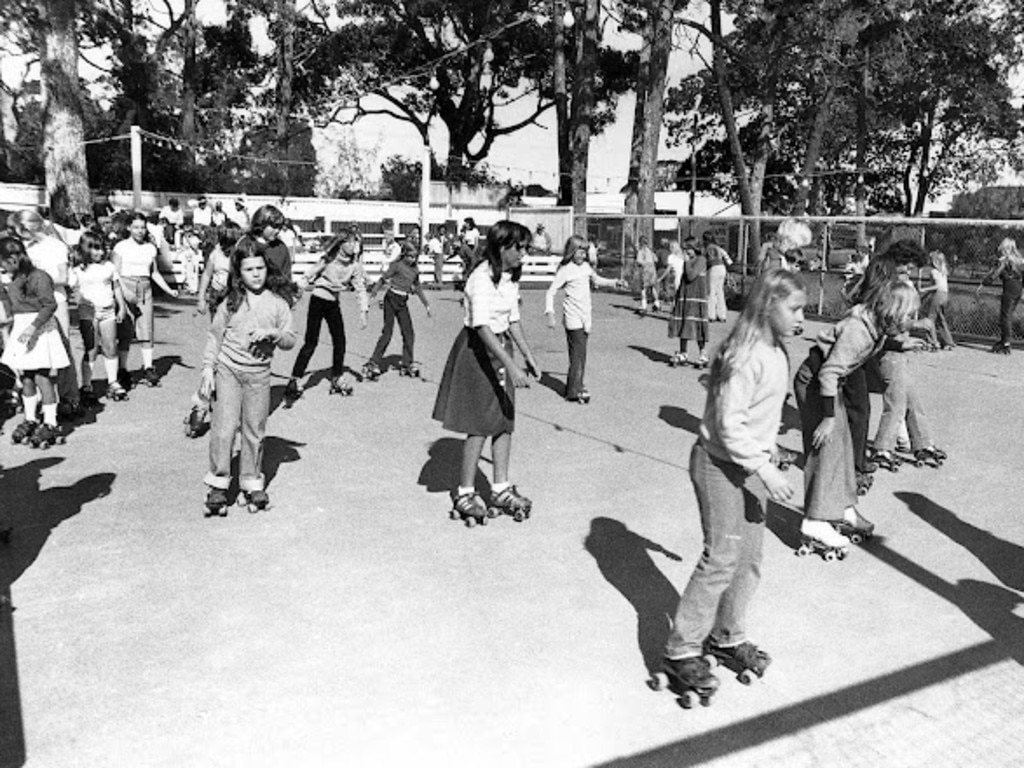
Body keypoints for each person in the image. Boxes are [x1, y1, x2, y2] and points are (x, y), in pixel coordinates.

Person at [658, 269, 806, 701]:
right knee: (722, 554)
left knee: (749, 559)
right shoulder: (743, 355)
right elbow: (727, 425)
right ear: (767, 306)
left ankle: (725, 635)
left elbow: (760, 415)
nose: (802, 317)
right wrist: (766, 468)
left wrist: (772, 451)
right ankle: (682, 648)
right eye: (794, 308)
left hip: (752, 464)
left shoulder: (778, 352)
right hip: (718, 463)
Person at [794, 279, 919, 553]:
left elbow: (874, 345)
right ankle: (814, 520)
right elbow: (829, 372)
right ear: (893, 312)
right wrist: (827, 418)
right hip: (816, 382)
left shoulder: (876, 324)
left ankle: (844, 508)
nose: (913, 321)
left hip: (827, 384)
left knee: (844, 448)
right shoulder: (858, 331)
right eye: (910, 315)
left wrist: (901, 346)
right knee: (824, 451)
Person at [432, 221, 540, 525]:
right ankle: (465, 491)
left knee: (504, 420)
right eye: (520, 248)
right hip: (478, 351)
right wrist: (510, 364)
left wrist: (528, 356)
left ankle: (500, 487)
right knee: (480, 423)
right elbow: (481, 327)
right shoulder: (481, 278)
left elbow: (512, 320)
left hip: (502, 348)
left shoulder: (508, 277)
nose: (524, 254)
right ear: (502, 247)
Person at [199, 238, 297, 516]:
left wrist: (274, 334)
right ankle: (218, 483)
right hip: (228, 370)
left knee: (254, 429)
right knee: (224, 427)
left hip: (259, 375)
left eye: (260, 268)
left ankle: (252, 482)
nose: (255, 274)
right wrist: (208, 368)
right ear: (238, 274)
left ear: (268, 269)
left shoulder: (278, 304)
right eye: (248, 269)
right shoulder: (231, 301)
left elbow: (290, 339)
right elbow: (215, 336)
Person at [0, 233, 71, 448]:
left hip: (39, 328)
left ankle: (50, 422)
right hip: (22, 327)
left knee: (42, 376)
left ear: (12, 259)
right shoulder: (11, 280)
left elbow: (50, 305)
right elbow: (11, 307)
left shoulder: (39, 277)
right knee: (26, 376)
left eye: (2, 262)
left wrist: (33, 327)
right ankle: (31, 418)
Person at [284, 228, 368, 400]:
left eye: (356, 242)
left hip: (333, 304)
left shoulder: (354, 265)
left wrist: (364, 310)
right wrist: (298, 289)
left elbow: (360, 287)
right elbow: (310, 274)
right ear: (342, 243)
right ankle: (295, 379)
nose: (354, 246)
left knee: (340, 341)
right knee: (311, 342)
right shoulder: (329, 259)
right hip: (318, 300)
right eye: (350, 242)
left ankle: (337, 377)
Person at [12, 209, 81, 416]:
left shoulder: (56, 246)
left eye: (19, 230)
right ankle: (40, 397)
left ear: (27, 228)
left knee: (63, 349)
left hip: (55, 301)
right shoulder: (26, 248)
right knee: (34, 352)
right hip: (31, 306)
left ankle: (69, 397)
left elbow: (63, 277)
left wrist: (39, 278)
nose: (17, 234)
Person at [543, 234, 624, 404]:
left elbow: (596, 280)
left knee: (580, 354)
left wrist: (614, 282)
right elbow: (550, 292)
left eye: (585, 252)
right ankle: (574, 390)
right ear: (572, 252)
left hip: (585, 316)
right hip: (572, 317)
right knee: (578, 354)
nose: (584, 255)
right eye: (580, 252)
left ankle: (574, 385)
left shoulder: (586, 267)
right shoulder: (566, 270)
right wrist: (550, 313)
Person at [112, 210, 180, 388]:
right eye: (136, 227)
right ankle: (123, 370)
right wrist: (124, 293)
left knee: (146, 329)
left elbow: (154, 273)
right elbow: (114, 273)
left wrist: (169, 290)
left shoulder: (150, 248)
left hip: (144, 288)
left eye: (142, 228)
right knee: (126, 330)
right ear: (129, 228)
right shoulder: (121, 247)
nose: (140, 231)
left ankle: (149, 367)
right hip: (125, 286)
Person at [68, 230, 129, 403]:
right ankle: (86, 384)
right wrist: (78, 299)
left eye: (102, 248)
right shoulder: (78, 270)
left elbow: (116, 287)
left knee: (110, 346)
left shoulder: (108, 267)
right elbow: (73, 289)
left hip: (108, 311)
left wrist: (122, 307)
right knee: (91, 348)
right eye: (95, 249)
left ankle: (113, 382)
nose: (100, 252)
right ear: (86, 249)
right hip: (89, 313)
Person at [363, 240, 431, 379]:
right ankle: (374, 362)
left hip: (402, 302)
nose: (412, 259)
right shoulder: (397, 266)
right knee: (387, 332)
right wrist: (373, 294)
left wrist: (426, 304)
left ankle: (407, 363)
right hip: (391, 299)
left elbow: (417, 287)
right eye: (410, 256)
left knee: (409, 333)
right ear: (404, 255)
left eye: (415, 257)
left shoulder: (414, 270)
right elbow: (383, 279)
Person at [668, 239, 709, 368]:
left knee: (697, 324)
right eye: (684, 249)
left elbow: (691, 275)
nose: (685, 252)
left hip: (696, 297)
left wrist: (686, 261)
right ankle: (683, 352)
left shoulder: (701, 260)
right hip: (685, 296)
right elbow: (684, 279)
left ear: (694, 248)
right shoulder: (688, 261)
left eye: (688, 249)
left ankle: (703, 354)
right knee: (683, 322)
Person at [978, 237, 1023, 354]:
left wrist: (985, 283)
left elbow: (995, 273)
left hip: (1009, 287)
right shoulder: (1019, 260)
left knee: (1005, 316)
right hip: (1018, 288)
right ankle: (1004, 340)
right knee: (1008, 315)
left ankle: (1006, 343)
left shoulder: (1004, 260)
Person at [919, 250, 955, 350]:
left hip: (938, 296)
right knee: (941, 319)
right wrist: (925, 295)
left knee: (930, 318)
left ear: (934, 261)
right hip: (945, 296)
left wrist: (923, 289)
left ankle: (932, 342)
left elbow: (936, 286)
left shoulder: (933, 272)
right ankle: (948, 342)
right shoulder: (943, 272)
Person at [703, 232, 733, 322]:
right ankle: (722, 315)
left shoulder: (708, 248)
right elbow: (729, 261)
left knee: (711, 291)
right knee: (720, 291)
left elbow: (706, 260)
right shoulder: (719, 248)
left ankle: (711, 315)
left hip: (713, 268)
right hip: (722, 268)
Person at [635, 235, 660, 313]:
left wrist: (641, 263)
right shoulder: (650, 250)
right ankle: (657, 303)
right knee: (653, 287)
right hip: (652, 269)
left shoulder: (641, 251)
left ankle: (644, 305)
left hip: (645, 269)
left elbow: (639, 261)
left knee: (643, 288)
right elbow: (656, 260)